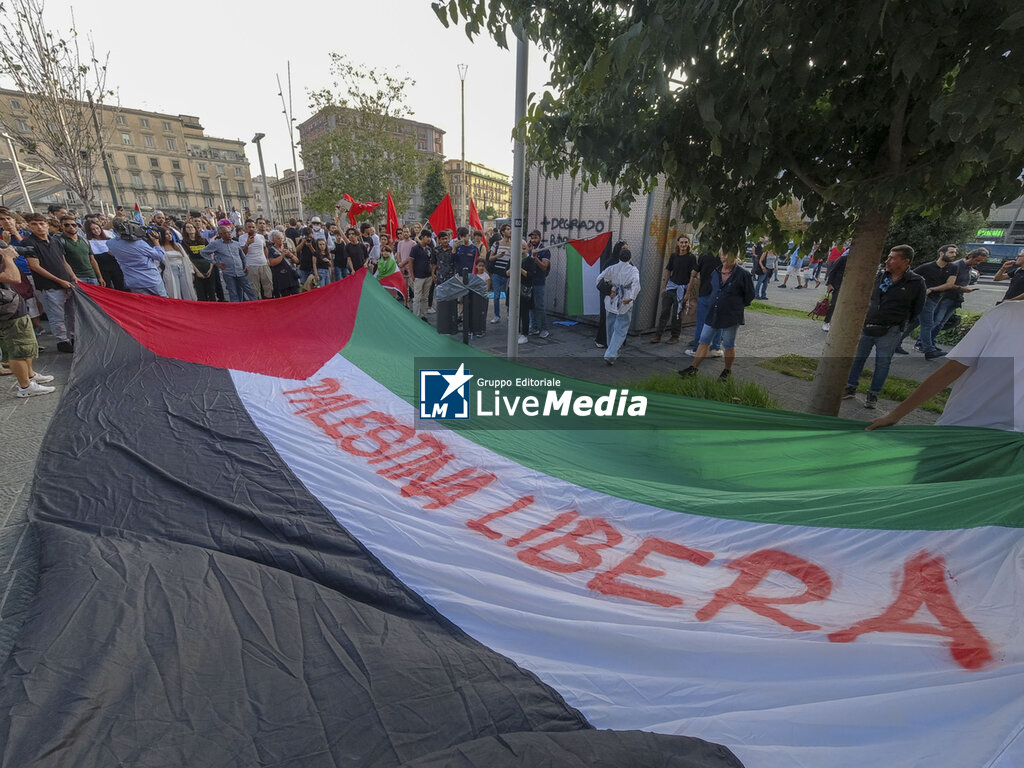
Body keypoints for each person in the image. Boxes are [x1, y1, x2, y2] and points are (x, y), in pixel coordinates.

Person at [868, 301, 1024, 432]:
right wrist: (895, 415)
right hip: (966, 426)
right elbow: (950, 371)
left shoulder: (1005, 314)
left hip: (1009, 438)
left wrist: (895, 415)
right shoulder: (1005, 315)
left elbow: (950, 371)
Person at [843, 245, 926, 409]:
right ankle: (851, 386)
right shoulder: (881, 275)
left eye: (892, 258)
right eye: (888, 257)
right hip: (869, 325)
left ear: (905, 261)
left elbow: (918, 308)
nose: (888, 260)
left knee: (882, 363)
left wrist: (901, 322)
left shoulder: (915, 282)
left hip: (891, 329)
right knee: (858, 358)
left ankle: (873, 394)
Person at [678, 250, 755, 380]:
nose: (724, 258)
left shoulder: (743, 274)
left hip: (731, 315)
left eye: (727, 255)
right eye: (721, 255)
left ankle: (726, 371)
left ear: (734, 256)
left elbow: (750, 295)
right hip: (713, 312)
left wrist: (735, 305)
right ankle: (693, 368)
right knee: (703, 341)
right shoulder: (716, 272)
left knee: (729, 345)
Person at [0, 243, 55, 397]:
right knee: (18, 349)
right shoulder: (5, 258)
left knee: (26, 345)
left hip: (13, 308)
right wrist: (7, 257)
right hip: (8, 313)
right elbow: (13, 277)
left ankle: (30, 375)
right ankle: (25, 387)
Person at [22, 212, 77, 352]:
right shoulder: (29, 243)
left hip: (67, 283)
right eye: (35, 224)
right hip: (49, 286)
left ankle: (73, 336)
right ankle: (62, 341)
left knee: (72, 313)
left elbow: (64, 262)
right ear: (29, 226)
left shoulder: (55, 241)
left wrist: (72, 276)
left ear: (47, 225)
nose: (40, 227)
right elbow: (35, 266)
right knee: (56, 315)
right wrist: (59, 280)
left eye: (42, 224)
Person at [894, 244, 959, 358]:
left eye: (955, 253)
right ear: (941, 253)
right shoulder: (926, 267)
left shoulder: (953, 268)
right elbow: (909, 277)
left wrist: (932, 289)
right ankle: (929, 350)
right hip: (923, 299)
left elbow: (950, 284)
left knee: (914, 323)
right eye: (951, 252)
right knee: (928, 324)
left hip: (935, 298)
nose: (954, 255)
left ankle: (895, 343)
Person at [929, 246, 988, 351]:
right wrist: (962, 288)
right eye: (977, 260)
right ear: (970, 256)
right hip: (946, 297)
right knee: (936, 321)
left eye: (981, 261)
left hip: (955, 298)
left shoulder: (968, 268)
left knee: (942, 323)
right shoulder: (956, 266)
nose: (978, 263)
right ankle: (923, 343)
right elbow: (948, 283)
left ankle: (931, 342)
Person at [596, 241, 640, 365]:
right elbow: (636, 284)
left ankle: (612, 350)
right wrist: (631, 297)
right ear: (629, 258)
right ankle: (611, 353)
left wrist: (608, 291)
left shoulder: (611, 267)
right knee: (620, 328)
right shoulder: (633, 270)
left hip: (612, 299)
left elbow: (599, 279)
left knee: (610, 326)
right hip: (624, 301)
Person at [651, 234, 697, 344]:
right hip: (671, 287)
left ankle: (675, 336)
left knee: (677, 313)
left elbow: (693, 276)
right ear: (677, 243)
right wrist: (664, 287)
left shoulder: (691, 258)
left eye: (686, 242)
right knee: (664, 311)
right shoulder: (673, 256)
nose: (683, 244)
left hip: (682, 289)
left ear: (688, 244)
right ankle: (658, 335)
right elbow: (668, 271)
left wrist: (688, 292)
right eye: (681, 242)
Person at [684, 245, 723, 357]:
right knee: (718, 322)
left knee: (701, 322)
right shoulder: (724, 255)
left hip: (705, 292)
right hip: (719, 294)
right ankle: (715, 348)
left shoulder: (704, 255)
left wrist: (688, 291)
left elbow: (694, 272)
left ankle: (697, 349)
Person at [200, 225, 253, 302]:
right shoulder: (216, 244)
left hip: (240, 271)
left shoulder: (236, 243)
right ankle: (236, 309)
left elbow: (242, 256)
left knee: (248, 290)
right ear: (220, 234)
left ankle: (255, 306)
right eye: (225, 233)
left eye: (229, 232)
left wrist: (245, 265)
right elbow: (203, 253)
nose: (229, 234)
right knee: (233, 292)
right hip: (228, 272)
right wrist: (216, 263)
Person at [57, 216, 103, 286]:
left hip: (92, 276)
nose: (71, 227)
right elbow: (63, 262)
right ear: (62, 226)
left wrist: (100, 277)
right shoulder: (59, 241)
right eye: (66, 225)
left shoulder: (84, 240)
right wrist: (73, 276)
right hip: (77, 278)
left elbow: (92, 260)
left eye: (73, 225)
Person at [157, 227, 199, 300]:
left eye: (170, 233)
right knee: (175, 291)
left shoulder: (177, 245)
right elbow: (157, 263)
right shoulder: (160, 248)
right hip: (171, 270)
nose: (169, 235)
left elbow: (186, 259)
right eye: (166, 234)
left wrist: (191, 272)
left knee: (187, 290)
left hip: (183, 269)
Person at [84, 219, 125, 291]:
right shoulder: (88, 242)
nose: (96, 231)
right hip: (101, 267)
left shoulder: (109, 239)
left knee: (120, 285)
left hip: (114, 265)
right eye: (93, 229)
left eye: (97, 228)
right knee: (107, 288)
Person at [181, 222, 217, 301]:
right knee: (201, 292)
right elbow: (188, 258)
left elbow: (210, 254)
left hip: (208, 266)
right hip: (196, 267)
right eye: (188, 227)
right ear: (185, 230)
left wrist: (211, 268)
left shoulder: (203, 240)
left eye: (192, 227)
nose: (190, 228)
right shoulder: (184, 242)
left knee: (211, 291)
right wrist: (197, 272)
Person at [513, 239, 538, 345]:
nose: (522, 251)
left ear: (527, 249)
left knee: (524, 313)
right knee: (514, 313)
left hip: (524, 291)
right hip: (513, 289)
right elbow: (505, 272)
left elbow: (531, 275)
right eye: (520, 248)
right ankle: (516, 332)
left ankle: (524, 334)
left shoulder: (529, 260)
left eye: (524, 248)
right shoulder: (513, 258)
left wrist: (519, 269)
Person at [527, 229, 551, 337]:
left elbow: (544, 267)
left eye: (535, 237)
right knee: (531, 306)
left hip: (539, 282)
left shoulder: (544, 250)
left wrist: (535, 257)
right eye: (532, 238)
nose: (533, 240)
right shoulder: (529, 249)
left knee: (539, 306)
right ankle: (534, 327)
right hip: (529, 282)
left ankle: (544, 328)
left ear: (540, 238)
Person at [240, 219, 272, 299]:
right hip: (252, 265)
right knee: (254, 288)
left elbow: (265, 248)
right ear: (245, 228)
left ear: (256, 228)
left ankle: (268, 302)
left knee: (268, 284)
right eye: (249, 227)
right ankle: (257, 303)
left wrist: (267, 259)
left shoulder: (261, 237)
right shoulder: (242, 237)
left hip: (263, 264)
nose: (251, 229)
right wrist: (247, 244)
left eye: (253, 227)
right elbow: (242, 253)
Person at [487, 223, 512, 323]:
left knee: (509, 296)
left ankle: (509, 314)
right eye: (508, 229)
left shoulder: (513, 244)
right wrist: (498, 255)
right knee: (496, 296)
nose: (510, 231)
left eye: (510, 229)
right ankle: (497, 315)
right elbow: (490, 258)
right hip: (497, 274)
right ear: (502, 232)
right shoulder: (496, 244)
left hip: (508, 275)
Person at [410, 230, 436, 320]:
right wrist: (412, 275)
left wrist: (432, 273)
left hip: (428, 276)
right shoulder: (415, 248)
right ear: (422, 237)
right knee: (417, 297)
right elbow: (410, 262)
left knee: (425, 298)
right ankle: (415, 317)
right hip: (418, 276)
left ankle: (424, 316)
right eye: (427, 237)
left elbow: (431, 262)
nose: (429, 239)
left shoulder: (429, 249)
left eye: (430, 237)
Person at [268, 231, 300, 297]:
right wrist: (282, 256)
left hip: (292, 277)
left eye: (281, 238)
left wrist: (290, 255)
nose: (281, 240)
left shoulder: (286, 249)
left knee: (297, 296)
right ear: (273, 240)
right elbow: (272, 263)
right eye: (278, 238)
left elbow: (297, 261)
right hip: (281, 279)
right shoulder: (271, 250)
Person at [821, 249, 847, 332]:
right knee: (833, 304)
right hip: (837, 285)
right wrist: (829, 284)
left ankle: (837, 322)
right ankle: (826, 322)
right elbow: (833, 270)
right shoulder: (843, 258)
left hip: (847, 285)